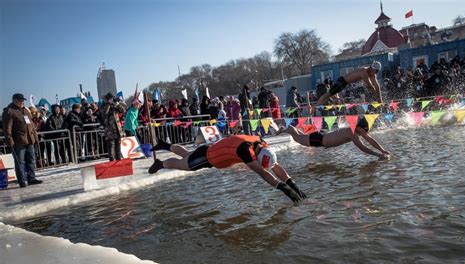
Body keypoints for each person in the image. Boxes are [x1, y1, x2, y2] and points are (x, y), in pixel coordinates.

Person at [148, 135, 306, 203]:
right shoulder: (246, 151)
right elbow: (262, 172)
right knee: (183, 164)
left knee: (187, 155)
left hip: (209, 150)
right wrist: (282, 188)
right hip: (207, 157)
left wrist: (293, 184)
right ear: (257, 157)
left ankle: (165, 145)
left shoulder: (261, 143)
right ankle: (160, 164)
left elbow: (275, 166)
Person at [279, 117, 391, 160]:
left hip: (322, 138)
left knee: (300, 137)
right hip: (320, 140)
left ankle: (287, 128)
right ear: (360, 128)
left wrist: (382, 150)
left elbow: (370, 140)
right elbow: (362, 147)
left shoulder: (357, 131)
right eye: (364, 131)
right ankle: (286, 127)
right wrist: (378, 155)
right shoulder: (351, 132)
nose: (365, 134)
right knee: (298, 138)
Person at [2, 93, 43, 187]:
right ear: (14, 100)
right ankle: (22, 181)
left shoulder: (26, 110)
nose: (21, 102)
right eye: (19, 100)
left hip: (29, 140)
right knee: (20, 162)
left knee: (31, 160)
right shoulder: (10, 111)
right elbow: (7, 128)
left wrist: (35, 137)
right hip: (18, 142)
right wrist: (10, 141)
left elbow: (31, 125)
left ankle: (31, 178)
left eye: (22, 100)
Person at [315, 62, 383, 107]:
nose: (375, 73)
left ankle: (317, 106)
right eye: (375, 71)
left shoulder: (372, 75)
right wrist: (378, 99)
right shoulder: (364, 72)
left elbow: (377, 87)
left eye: (377, 72)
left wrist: (380, 99)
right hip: (342, 82)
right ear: (371, 68)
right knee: (328, 94)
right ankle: (315, 107)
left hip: (345, 84)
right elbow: (371, 87)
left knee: (330, 96)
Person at [102, 92, 126, 161]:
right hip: (110, 130)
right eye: (111, 98)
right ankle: (112, 160)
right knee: (111, 145)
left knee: (118, 144)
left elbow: (123, 111)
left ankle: (119, 159)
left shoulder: (114, 105)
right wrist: (108, 104)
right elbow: (104, 113)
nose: (112, 100)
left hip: (117, 128)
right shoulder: (104, 105)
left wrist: (117, 104)